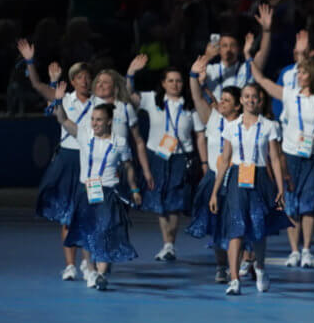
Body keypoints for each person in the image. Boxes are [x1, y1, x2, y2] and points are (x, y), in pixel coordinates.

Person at [250, 33, 314, 268]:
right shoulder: (288, 94)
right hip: (290, 154)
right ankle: (294, 250)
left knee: (310, 204)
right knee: (291, 203)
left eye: (303, 72)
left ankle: (307, 249)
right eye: (297, 72)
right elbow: (263, 81)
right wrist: (250, 57)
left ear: (312, 75)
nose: (298, 75)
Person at [52, 95, 142, 291]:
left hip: (109, 192)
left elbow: (128, 166)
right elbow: (63, 120)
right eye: (93, 119)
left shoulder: (120, 142)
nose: (94, 123)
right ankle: (91, 271)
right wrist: (58, 102)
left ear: (109, 121)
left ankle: (102, 273)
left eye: (99, 119)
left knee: (105, 231)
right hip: (87, 191)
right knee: (88, 232)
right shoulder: (84, 135)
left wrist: (134, 189)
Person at [22, 42, 95, 280]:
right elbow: (36, 84)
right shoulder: (63, 97)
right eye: (80, 78)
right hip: (67, 160)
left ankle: (88, 263)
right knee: (67, 214)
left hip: (91, 162)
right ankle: (70, 265)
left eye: (87, 77)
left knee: (90, 213)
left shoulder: (99, 103)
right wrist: (31, 62)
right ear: (72, 81)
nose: (85, 81)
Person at [209, 83, 290, 295]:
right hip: (237, 179)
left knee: (258, 226)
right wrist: (215, 191)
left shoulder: (270, 126)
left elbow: (274, 158)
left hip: (260, 177)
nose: (250, 100)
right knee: (235, 228)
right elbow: (225, 160)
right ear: (242, 100)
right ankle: (234, 279)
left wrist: (280, 188)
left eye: (254, 96)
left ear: (260, 100)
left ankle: (260, 266)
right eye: (246, 96)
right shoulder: (230, 127)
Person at [126, 57, 197, 262]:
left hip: (180, 157)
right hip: (157, 156)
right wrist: (131, 72)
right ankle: (167, 243)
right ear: (163, 83)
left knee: (174, 203)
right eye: (171, 81)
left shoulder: (190, 105)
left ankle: (169, 244)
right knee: (160, 201)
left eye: (179, 81)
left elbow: (200, 135)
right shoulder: (152, 99)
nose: (175, 85)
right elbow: (129, 95)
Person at [187, 56, 240, 283]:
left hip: (236, 178)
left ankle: (243, 263)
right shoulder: (211, 117)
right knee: (217, 227)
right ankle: (221, 267)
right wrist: (192, 76)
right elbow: (197, 96)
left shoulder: (243, 122)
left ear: (238, 105)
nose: (222, 103)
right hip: (214, 178)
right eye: (222, 99)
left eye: (227, 100)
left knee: (237, 224)